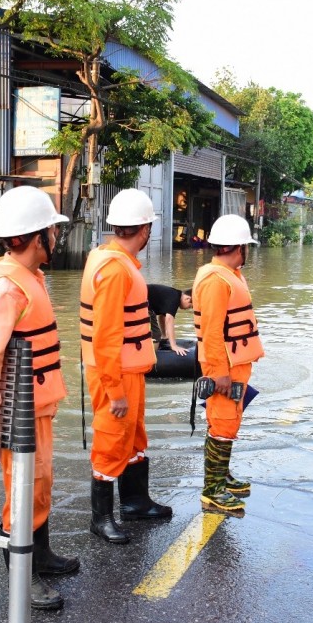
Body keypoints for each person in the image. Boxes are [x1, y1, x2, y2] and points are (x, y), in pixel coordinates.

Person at [0, 186, 78, 611]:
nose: (57, 235)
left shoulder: (28, 276)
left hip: (36, 407)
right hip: (17, 413)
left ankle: (41, 555)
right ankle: (22, 577)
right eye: (52, 229)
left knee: (40, 483)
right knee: (24, 491)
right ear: (36, 237)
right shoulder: (5, 289)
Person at [79, 189, 172, 545]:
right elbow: (104, 336)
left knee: (133, 436)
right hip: (114, 372)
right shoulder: (116, 270)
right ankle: (100, 518)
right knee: (111, 438)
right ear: (145, 229)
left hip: (127, 369)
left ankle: (135, 502)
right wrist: (114, 389)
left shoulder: (109, 258)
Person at [192, 214, 265, 517]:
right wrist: (219, 372)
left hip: (236, 362)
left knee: (228, 421)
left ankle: (222, 477)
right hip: (225, 366)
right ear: (239, 247)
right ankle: (212, 492)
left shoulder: (229, 274)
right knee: (223, 423)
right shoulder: (216, 280)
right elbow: (211, 332)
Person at [146, 284, 193, 355]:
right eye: (190, 306)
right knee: (155, 334)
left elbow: (162, 316)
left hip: (142, 302)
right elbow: (169, 319)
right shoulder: (175, 298)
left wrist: (164, 335)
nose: (188, 309)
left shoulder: (173, 295)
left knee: (155, 333)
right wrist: (174, 346)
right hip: (141, 304)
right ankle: (152, 358)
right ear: (187, 299)